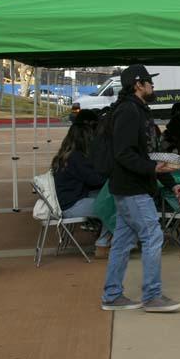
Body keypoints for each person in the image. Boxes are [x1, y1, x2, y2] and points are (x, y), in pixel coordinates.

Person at [100, 65, 180, 313]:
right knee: (152, 236)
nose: (152, 85)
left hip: (131, 188)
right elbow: (123, 154)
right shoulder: (128, 112)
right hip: (132, 189)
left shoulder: (137, 110)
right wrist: (155, 170)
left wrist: (171, 181)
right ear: (138, 84)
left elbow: (148, 156)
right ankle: (152, 296)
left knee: (122, 243)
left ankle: (112, 295)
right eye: (149, 81)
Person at [51, 109, 113, 256]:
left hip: (68, 200)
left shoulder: (66, 156)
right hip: (72, 205)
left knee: (109, 196)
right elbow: (94, 180)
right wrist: (114, 177)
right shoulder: (76, 158)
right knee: (115, 204)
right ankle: (103, 244)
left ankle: (107, 239)